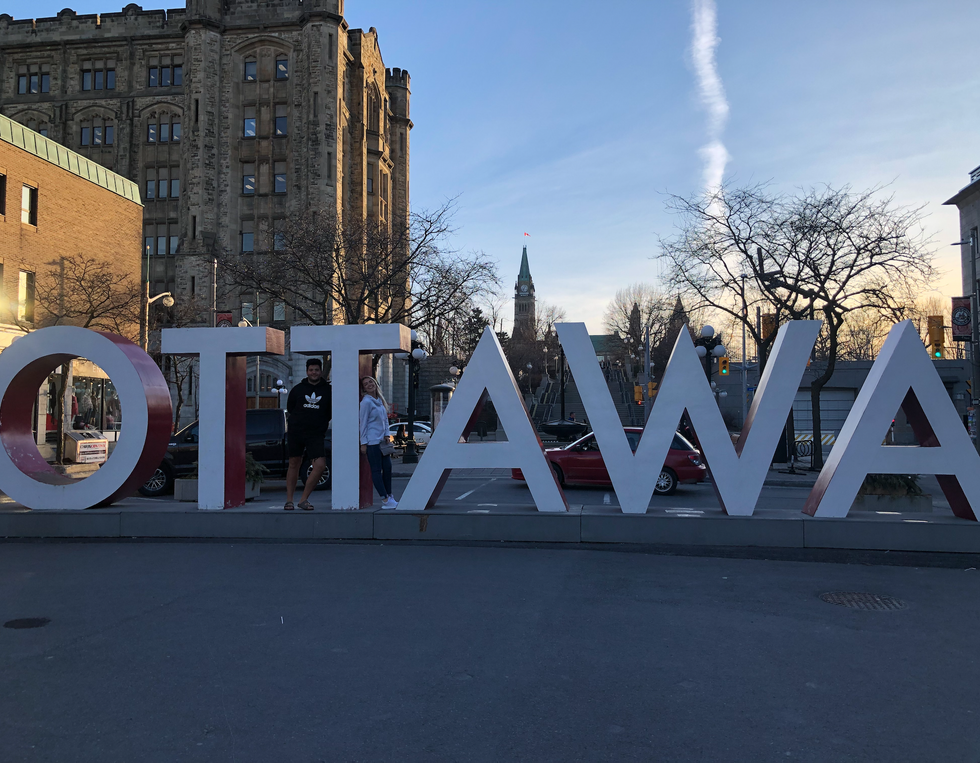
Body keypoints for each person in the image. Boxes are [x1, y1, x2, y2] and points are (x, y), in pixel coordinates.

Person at [284, 358, 331, 511]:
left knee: (320, 465)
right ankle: (289, 501)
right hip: (296, 432)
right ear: (307, 371)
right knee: (294, 464)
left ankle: (303, 500)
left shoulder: (328, 390)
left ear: (320, 371)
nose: (314, 372)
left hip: (316, 434)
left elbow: (329, 412)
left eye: (316, 370)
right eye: (311, 370)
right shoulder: (297, 389)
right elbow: (290, 407)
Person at [359, 376, 397, 509]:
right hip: (372, 442)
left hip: (382, 442)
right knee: (376, 470)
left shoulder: (380, 400)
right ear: (363, 388)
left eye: (371, 382)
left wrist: (387, 434)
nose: (369, 385)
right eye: (366, 384)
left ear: (375, 383)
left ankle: (390, 495)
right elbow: (363, 423)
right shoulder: (366, 402)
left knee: (387, 468)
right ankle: (385, 499)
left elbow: (385, 420)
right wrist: (363, 442)